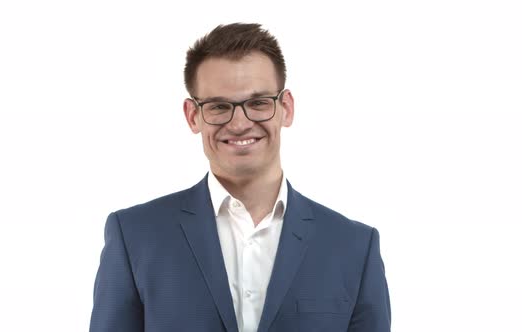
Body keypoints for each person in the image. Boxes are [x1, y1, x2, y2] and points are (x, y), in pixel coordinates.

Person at [89, 23, 391, 332]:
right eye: (219, 106)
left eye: (258, 103)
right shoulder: (135, 236)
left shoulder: (354, 247)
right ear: (193, 116)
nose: (239, 123)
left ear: (285, 108)